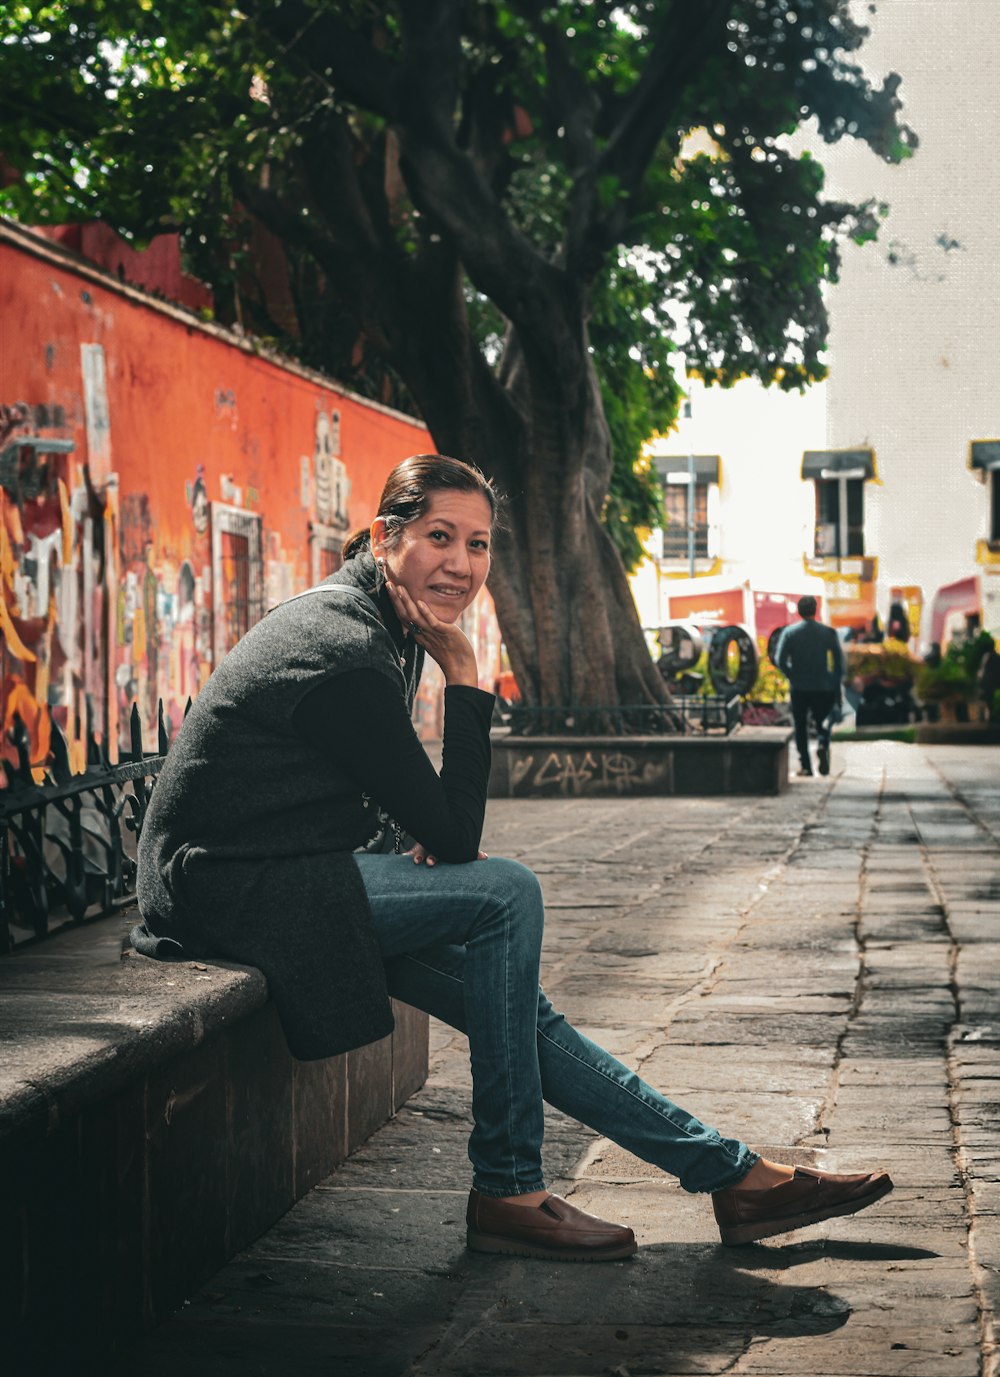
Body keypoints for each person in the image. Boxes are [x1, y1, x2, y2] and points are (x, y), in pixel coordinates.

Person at [132, 456, 891, 1259]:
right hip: (230, 889)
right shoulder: (343, 643)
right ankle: (508, 1186)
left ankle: (729, 1177)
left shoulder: (378, 622)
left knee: (522, 1014)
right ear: (387, 537)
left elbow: (387, 801)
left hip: (283, 871)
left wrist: (419, 828)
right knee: (505, 894)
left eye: (480, 544)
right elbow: (457, 838)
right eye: (439, 537)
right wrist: (466, 674)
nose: (461, 564)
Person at [776, 595, 846, 777]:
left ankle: (805, 766)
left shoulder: (790, 633)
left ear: (799, 611)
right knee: (823, 722)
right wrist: (834, 682)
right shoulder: (828, 633)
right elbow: (838, 663)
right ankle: (823, 744)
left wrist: (792, 674)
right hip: (823, 685)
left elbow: (780, 660)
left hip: (799, 687)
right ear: (816, 610)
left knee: (800, 726)